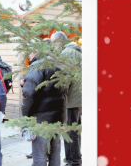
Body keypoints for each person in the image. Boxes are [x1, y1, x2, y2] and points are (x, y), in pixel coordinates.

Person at [21, 45, 68, 166]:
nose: (28, 56)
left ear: (35, 52)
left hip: (42, 120)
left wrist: (25, 118)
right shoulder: (59, 64)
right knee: (54, 154)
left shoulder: (38, 66)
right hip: (58, 117)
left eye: (30, 53)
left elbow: (28, 94)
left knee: (40, 157)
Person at [51, 31, 82, 166]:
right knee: (75, 129)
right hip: (77, 97)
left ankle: (73, 161)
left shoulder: (67, 52)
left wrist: (57, 94)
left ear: (59, 42)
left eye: (53, 43)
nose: (53, 47)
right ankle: (75, 157)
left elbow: (65, 79)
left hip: (71, 99)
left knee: (70, 131)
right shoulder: (75, 50)